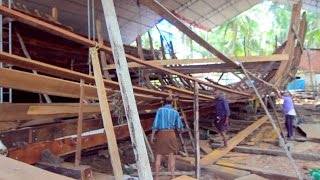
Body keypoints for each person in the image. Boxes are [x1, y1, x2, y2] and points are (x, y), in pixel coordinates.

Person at [151, 98, 183, 180]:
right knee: (171, 155)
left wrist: (152, 135)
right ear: (172, 103)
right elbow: (179, 126)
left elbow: (155, 123)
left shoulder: (160, 110)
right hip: (171, 134)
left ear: (164, 103)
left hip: (161, 133)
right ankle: (173, 176)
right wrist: (180, 130)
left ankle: (157, 177)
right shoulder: (175, 112)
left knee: (158, 155)